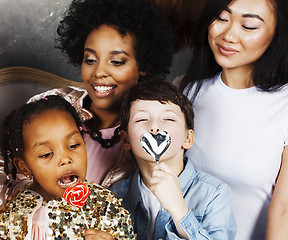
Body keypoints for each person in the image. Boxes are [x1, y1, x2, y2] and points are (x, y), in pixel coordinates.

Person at [0, 0, 172, 205]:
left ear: (142, 65)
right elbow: (8, 170)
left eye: (116, 61)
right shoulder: (53, 104)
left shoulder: (152, 133)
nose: (99, 72)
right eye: (90, 60)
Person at [174, 0, 288, 239]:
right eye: (222, 18)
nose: (228, 35)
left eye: (248, 26)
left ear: (278, 33)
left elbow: (283, 213)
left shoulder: (283, 104)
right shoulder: (185, 91)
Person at [110, 80, 237, 240]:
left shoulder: (214, 195)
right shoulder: (117, 194)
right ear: (126, 140)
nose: (154, 127)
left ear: (187, 138)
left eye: (168, 119)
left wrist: (178, 209)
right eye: (142, 120)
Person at [0, 95, 135, 240]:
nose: (65, 159)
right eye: (47, 154)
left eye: (73, 145)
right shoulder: (15, 209)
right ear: (25, 168)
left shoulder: (104, 204)